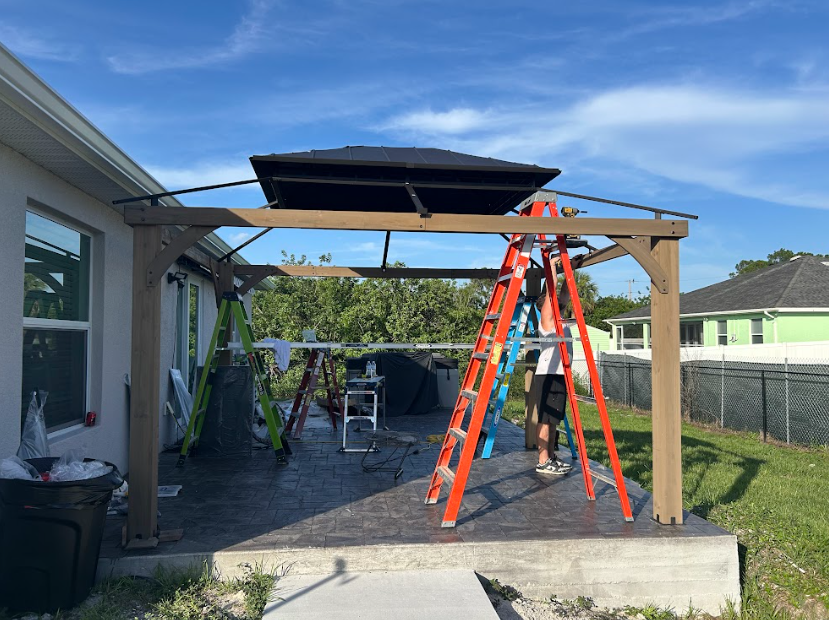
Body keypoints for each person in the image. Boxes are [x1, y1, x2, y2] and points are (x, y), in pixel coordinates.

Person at [533, 269, 574, 475]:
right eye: (553, 302)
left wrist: (570, 268)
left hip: (559, 375)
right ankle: (543, 461)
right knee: (545, 419)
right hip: (548, 375)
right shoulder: (547, 322)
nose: (558, 303)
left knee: (553, 420)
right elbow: (552, 292)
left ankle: (550, 458)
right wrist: (551, 267)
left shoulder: (560, 320)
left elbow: (564, 294)